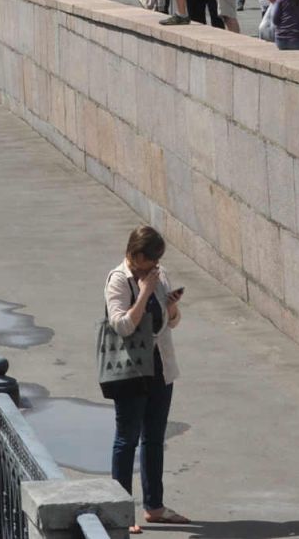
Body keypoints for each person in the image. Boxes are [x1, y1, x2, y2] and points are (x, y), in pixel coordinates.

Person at [103, 226, 190, 533]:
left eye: (158, 262)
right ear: (136, 256)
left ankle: (154, 506)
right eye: (151, 261)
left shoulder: (158, 274)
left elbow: (172, 323)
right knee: (126, 439)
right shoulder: (118, 279)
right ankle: (122, 513)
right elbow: (122, 325)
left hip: (160, 367)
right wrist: (144, 293)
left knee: (154, 437)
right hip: (130, 371)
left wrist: (171, 305)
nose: (156, 267)